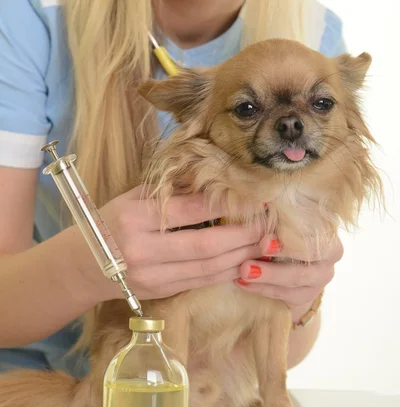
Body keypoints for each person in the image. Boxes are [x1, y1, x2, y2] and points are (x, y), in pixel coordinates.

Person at [0, 0, 345, 378]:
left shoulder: (314, 30)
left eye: (322, 104)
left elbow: (277, 352)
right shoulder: (32, 14)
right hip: (30, 390)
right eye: (247, 109)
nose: (291, 125)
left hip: (208, 401)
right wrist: (85, 266)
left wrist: (299, 298)